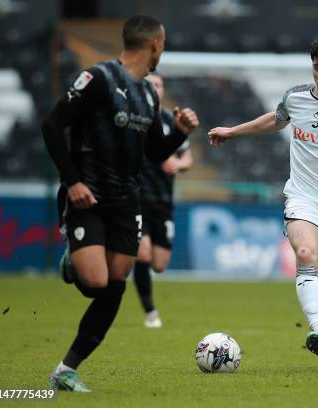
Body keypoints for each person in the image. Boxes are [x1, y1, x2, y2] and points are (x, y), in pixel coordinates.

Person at [42, 15, 199, 391]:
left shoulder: (149, 94)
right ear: (156, 45)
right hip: (89, 195)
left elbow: (153, 152)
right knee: (96, 283)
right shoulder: (97, 79)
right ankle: (73, 261)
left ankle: (66, 368)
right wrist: (73, 180)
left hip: (129, 202)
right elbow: (52, 125)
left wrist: (179, 133)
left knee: (115, 285)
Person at [208, 33, 318, 361]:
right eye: (317, 68)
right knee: (305, 255)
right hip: (305, 196)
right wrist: (232, 132)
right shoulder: (296, 97)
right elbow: (275, 121)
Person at [134, 72, 193, 329]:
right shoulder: (133, 118)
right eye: (150, 85)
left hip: (163, 201)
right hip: (135, 198)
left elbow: (187, 158)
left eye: (158, 85)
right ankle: (150, 312)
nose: (155, 88)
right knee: (142, 254)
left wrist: (178, 163)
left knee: (159, 264)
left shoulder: (171, 119)